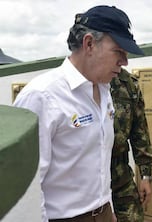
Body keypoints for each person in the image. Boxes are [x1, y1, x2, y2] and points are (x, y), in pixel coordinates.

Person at [13, 5, 144, 222]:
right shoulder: (42, 96)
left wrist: (107, 208)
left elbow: (98, 164)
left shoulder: (103, 90)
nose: (125, 62)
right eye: (118, 51)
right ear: (89, 44)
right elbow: (25, 185)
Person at [110, 68, 152, 222]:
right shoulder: (78, 87)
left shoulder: (127, 84)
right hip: (89, 185)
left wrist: (145, 176)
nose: (124, 61)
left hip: (121, 178)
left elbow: (139, 132)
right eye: (117, 51)